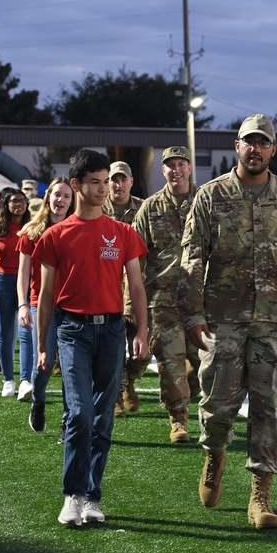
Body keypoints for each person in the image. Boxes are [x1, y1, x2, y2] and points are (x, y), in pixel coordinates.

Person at [180, 113, 277, 530]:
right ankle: (214, 454)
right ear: (235, 146)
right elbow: (192, 256)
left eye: (263, 143)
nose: (254, 149)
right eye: (247, 141)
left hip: (274, 319)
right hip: (223, 318)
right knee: (217, 406)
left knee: (268, 408)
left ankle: (260, 496)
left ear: (273, 150)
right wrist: (193, 312)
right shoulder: (210, 195)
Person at [34, 148, 148, 527]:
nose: (104, 189)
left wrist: (142, 331)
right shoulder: (55, 236)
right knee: (79, 413)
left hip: (113, 331)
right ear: (76, 185)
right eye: (96, 182)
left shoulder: (123, 233)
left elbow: (136, 284)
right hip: (71, 332)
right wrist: (41, 346)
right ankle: (73, 494)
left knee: (102, 420)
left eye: (107, 182)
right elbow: (46, 297)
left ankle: (92, 496)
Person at [132, 146, 201, 442]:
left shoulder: (206, 201)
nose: (176, 169)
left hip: (202, 299)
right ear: (163, 171)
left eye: (181, 164)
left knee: (202, 366)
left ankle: (191, 390)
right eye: (170, 165)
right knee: (170, 361)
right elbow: (135, 256)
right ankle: (178, 419)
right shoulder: (149, 207)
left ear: (189, 168)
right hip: (163, 299)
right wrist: (130, 303)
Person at [17, 177, 75, 432]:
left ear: (72, 202)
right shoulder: (32, 231)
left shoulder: (77, 229)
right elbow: (22, 273)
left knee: (72, 368)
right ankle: (38, 401)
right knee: (44, 365)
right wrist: (22, 305)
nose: (60, 200)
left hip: (73, 305)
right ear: (47, 197)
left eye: (66, 196)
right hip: (41, 304)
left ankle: (67, 422)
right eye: (56, 194)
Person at [103, 161, 150, 418]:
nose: (118, 185)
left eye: (123, 179)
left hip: (137, 289)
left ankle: (130, 380)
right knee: (112, 348)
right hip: (106, 290)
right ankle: (117, 395)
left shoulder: (145, 208)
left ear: (131, 181)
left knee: (143, 351)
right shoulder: (97, 209)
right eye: (113, 180)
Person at [0, 187, 32, 398]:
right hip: (1, 282)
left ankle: (25, 381)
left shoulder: (31, 227)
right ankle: (8, 380)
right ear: (6, 205)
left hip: (28, 282)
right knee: (5, 332)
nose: (18, 204)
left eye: (22, 200)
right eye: (14, 201)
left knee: (26, 331)